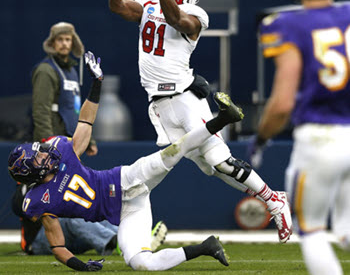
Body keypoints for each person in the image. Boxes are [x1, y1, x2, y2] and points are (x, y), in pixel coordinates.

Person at [108, 0, 292, 243]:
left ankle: (274, 200)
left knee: (221, 161)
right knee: (214, 168)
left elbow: (176, 19)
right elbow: (117, 7)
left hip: (185, 99)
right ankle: (273, 198)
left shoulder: (198, 15)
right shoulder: (151, 0)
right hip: (159, 104)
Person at [8, 50, 245, 272]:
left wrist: (97, 83)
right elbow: (57, 246)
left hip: (126, 179)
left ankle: (223, 119)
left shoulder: (63, 151)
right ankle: (206, 247)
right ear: (31, 172)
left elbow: (85, 122)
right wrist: (81, 266)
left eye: (39, 152)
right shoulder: (37, 200)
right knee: (142, 263)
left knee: (175, 151)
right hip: (127, 211)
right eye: (37, 157)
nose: (44, 154)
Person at [248, 0, 349, 275]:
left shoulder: (286, 25)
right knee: (347, 230)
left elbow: (282, 104)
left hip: (319, 141)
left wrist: (261, 137)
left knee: (314, 232)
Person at [12, 183, 168, 255]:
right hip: (39, 243)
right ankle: (121, 243)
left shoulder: (54, 179)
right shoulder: (25, 190)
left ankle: (136, 242)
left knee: (93, 213)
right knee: (70, 219)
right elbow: (21, 209)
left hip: (69, 241)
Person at [32, 21, 97, 155]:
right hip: (53, 142)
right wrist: (46, 143)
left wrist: (88, 140)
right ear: (52, 43)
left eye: (68, 39)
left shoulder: (72, 71)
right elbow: (41, 110)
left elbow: (77, 109)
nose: (64, 43)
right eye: (60, 39)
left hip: (71, 142)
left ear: (73, 43)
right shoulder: (46, 70)